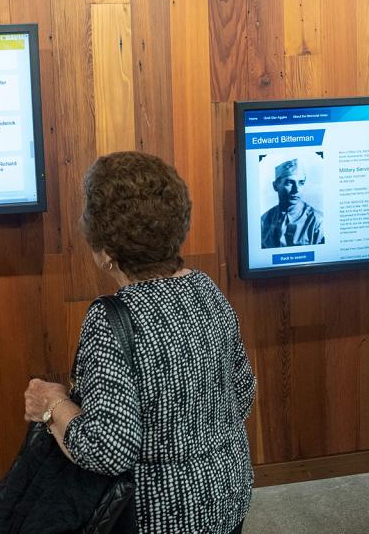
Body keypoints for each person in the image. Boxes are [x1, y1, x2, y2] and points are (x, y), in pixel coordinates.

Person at [22, 151, 255, 533]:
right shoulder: (207, 290)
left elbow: (107, 448)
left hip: (157, 515)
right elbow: (243, 394)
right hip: (227, 496)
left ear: (105, 253)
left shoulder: (111, 319)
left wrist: (52, 405)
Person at [259, 158, 324, 248]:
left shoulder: (317, 221)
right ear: (275, 186)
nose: (296, 190)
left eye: (301, 183)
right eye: (289, 182)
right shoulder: (264, 221)